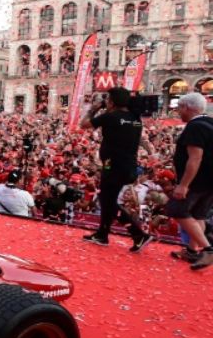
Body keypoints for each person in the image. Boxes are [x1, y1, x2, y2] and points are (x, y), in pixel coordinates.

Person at [80, 87, 152, 251]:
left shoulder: (110, 117)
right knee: (107, 200)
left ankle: (138, 234)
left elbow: (83, 125)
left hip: (113, 165)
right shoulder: (135, 118)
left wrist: (93, 109)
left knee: (108, 202)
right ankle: (102, 234)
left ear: (111, 101)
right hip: (128, 165)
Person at [162, 92, 213, 269]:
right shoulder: (210, 123)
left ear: (187, 107)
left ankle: (208, 249)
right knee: (198, 214)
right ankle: (192, 251)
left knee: (177, 209)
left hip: (198, 179)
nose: (178, 112)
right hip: (210, 180)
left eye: (179, 108)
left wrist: (183, 184)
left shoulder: (195, 127)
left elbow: (195, 158)